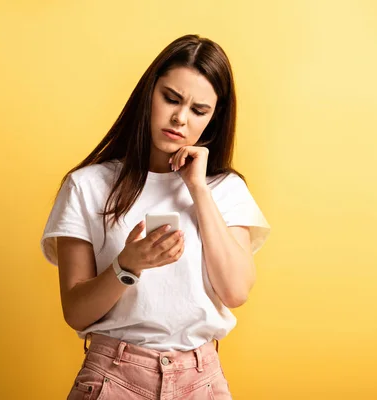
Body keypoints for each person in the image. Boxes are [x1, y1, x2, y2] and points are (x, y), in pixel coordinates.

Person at [40, 34, 271, 400]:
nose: (179, 118)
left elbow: (236, 290)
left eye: (199, 110)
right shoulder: (87, 186)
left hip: (201, 381)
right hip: (113, 379)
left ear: (213, 119)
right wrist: (126, 266)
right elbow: (76, 313)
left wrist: (198, 189)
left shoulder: (225, 189)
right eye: (171, 99)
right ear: (149, 94)